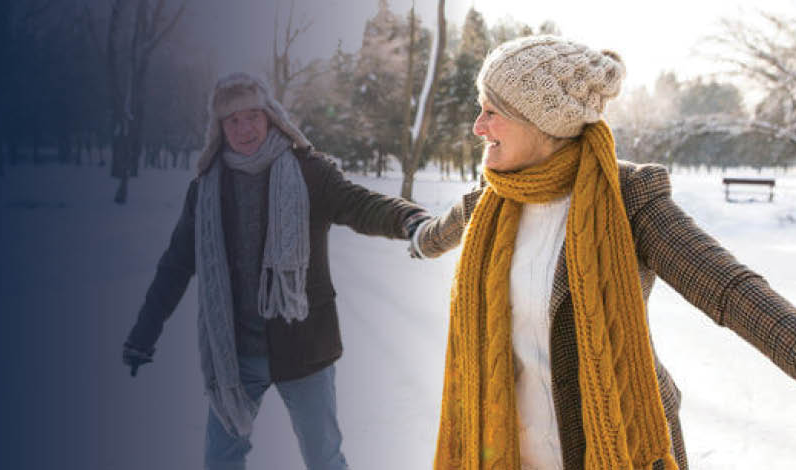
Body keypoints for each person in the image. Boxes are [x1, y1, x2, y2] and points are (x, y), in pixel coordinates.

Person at [409, 35, 796, 470]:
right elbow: (439, 230)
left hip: (618, 447)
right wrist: (417, 237)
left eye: (492, 112)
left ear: (542, 123)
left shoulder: (626, 197)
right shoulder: (494, 199)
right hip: (508, 454)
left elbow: (730, 289)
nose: (478, 127)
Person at [123, 72, 430, 470]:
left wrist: (410, 220)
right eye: (232, 120)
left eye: (251, 115)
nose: (244, 128)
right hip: (235, 356)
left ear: (270, 116)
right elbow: (175, 266)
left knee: (324, 460)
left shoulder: (308, 171)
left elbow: (358, 203)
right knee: (220, 461)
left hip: (304, 349)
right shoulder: (206, 189)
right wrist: (142, 336)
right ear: (219, 129)